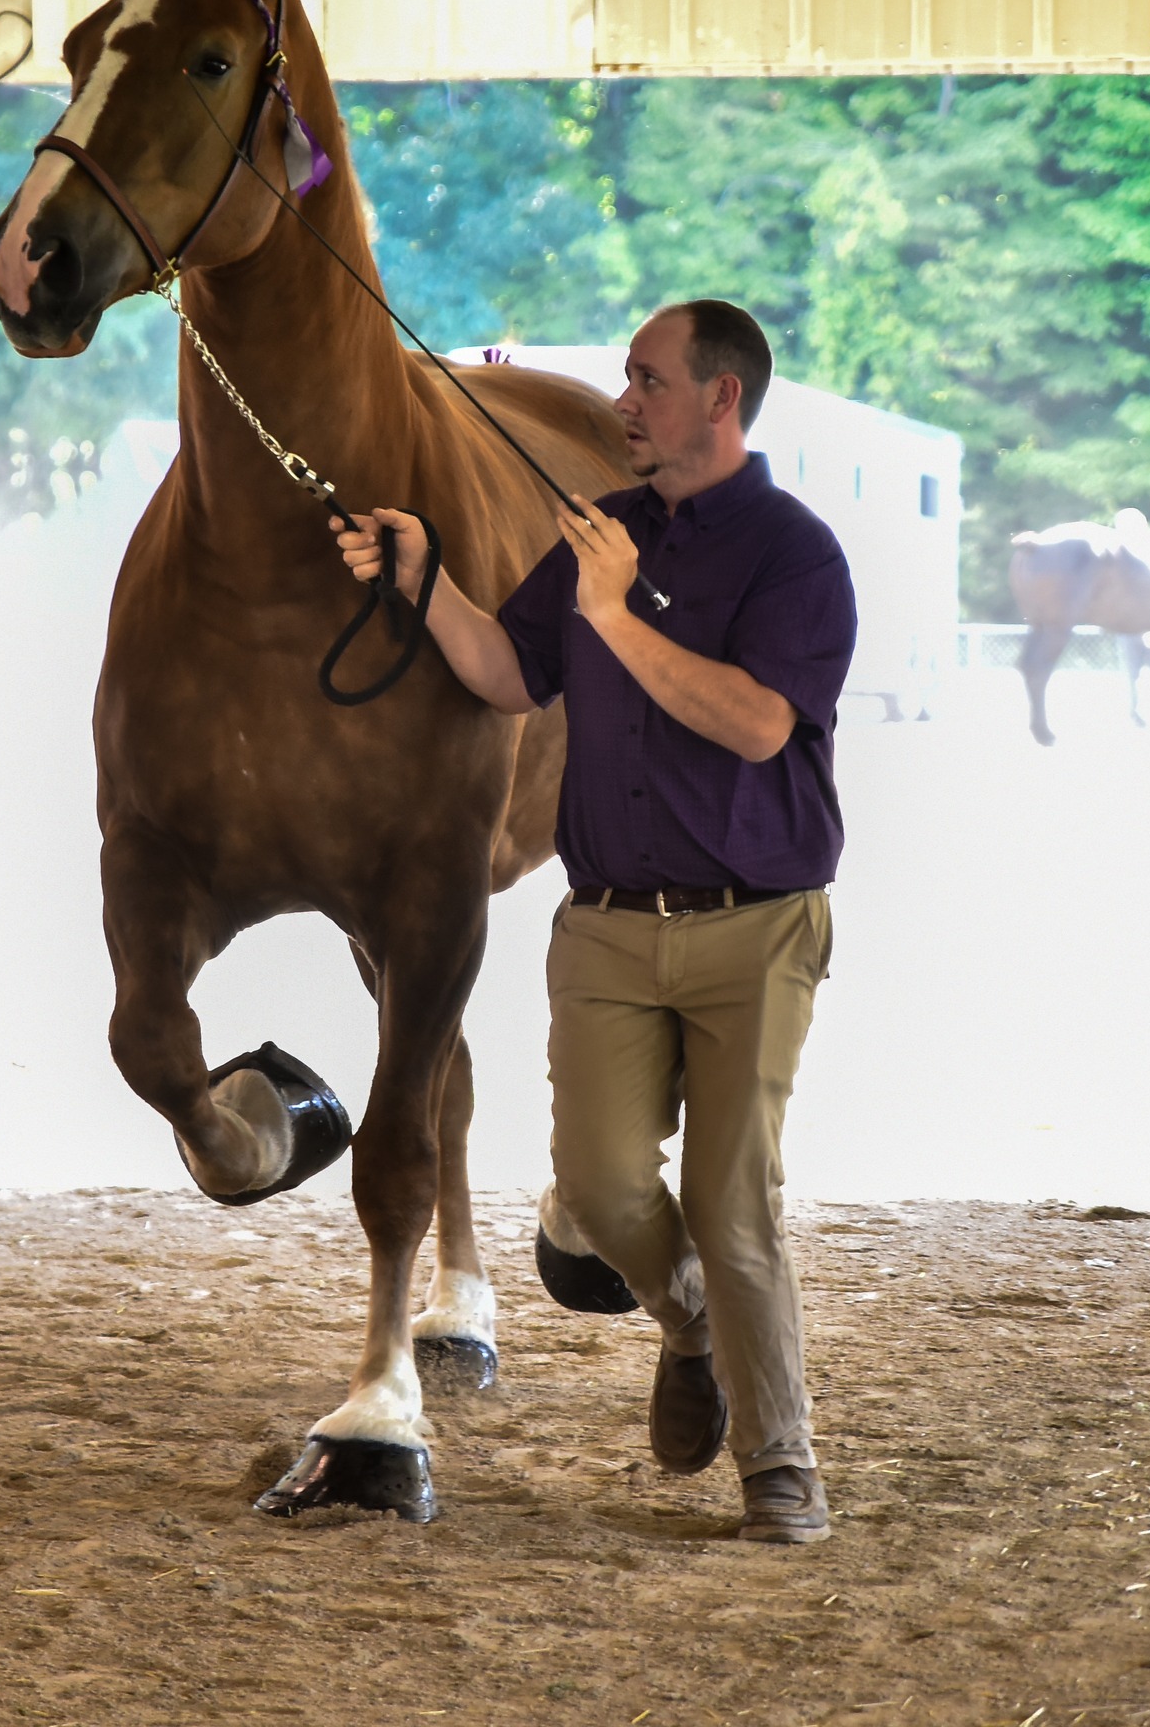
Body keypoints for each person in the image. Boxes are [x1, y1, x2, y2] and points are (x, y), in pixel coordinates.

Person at [332, 300, 857, 1545]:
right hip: (609, 925)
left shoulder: (795, 555)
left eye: (646, 379)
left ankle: (780, 1462)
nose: (622, 400)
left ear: (721, 400)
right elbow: (509, 672)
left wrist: (621, 616)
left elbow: (757, 724)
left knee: (734, 1202)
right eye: (625, 377)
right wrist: (426, 581)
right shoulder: (600, 536)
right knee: (603, 1190)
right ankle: (688, 1327)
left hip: (755, 926)